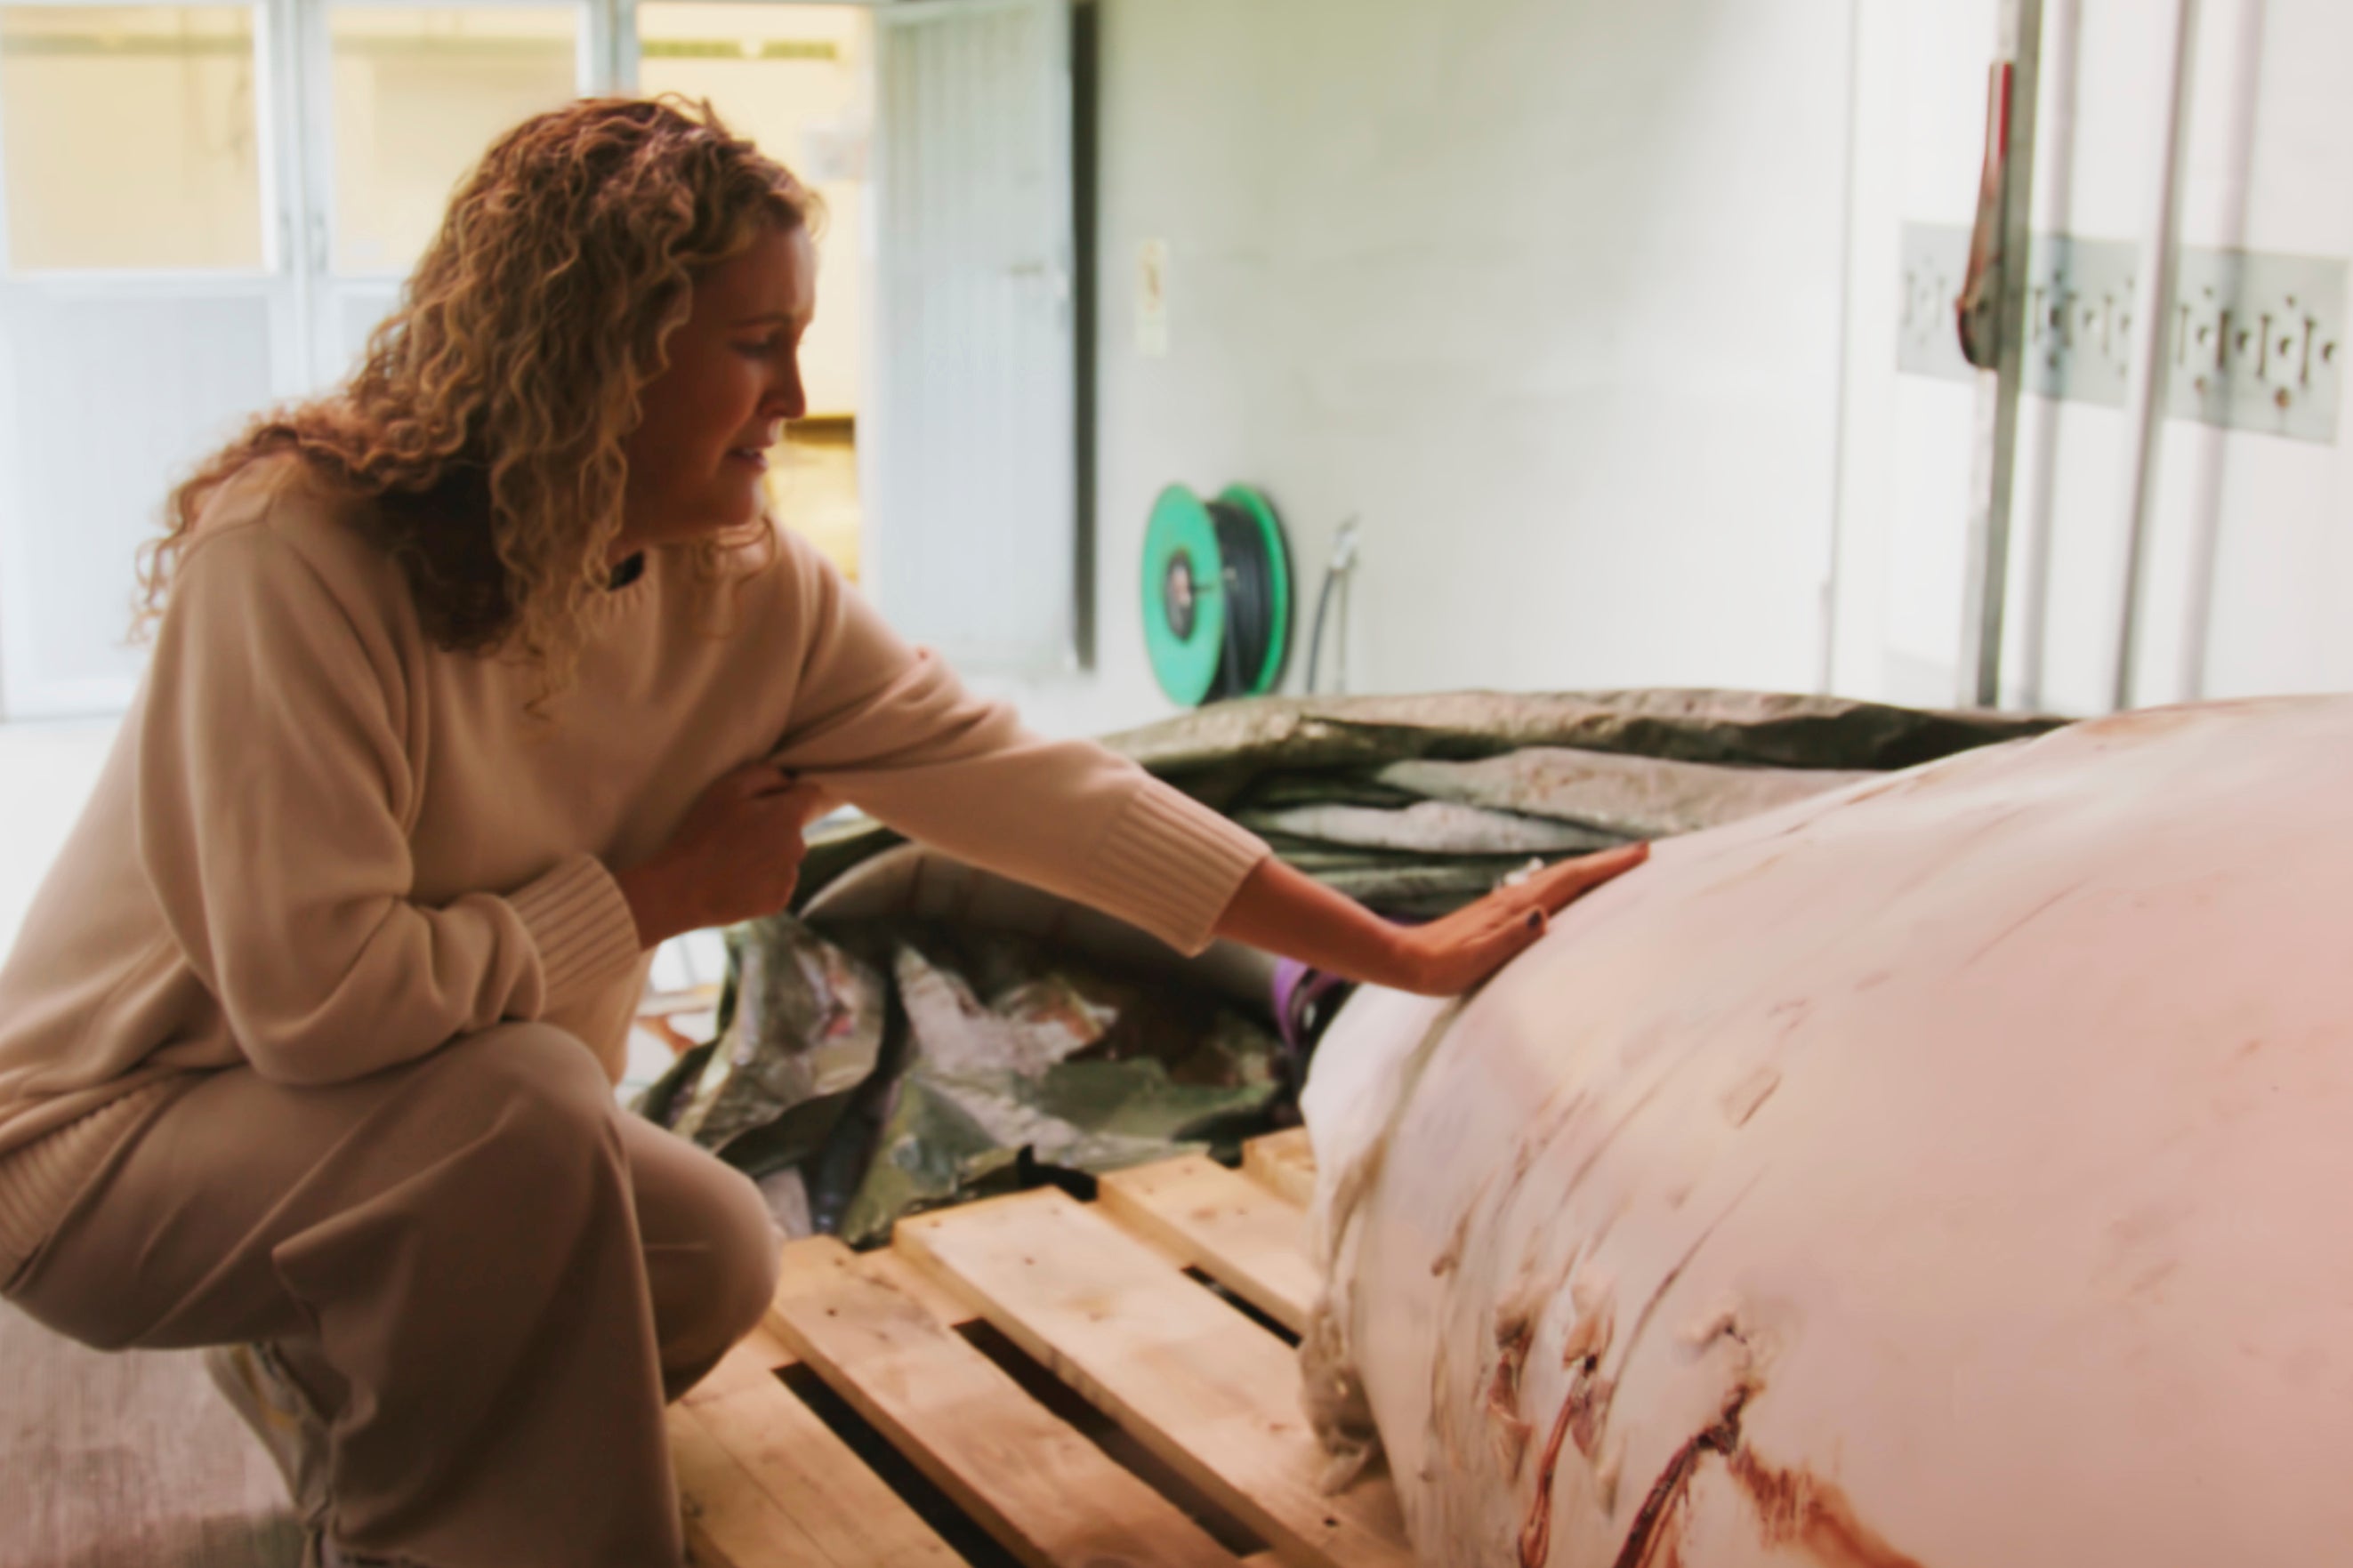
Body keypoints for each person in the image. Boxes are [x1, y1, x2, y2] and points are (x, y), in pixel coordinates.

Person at [0, 97, 1643, 1568]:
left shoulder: (739, 586)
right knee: (512, 1112)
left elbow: (1039, 791)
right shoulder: (296, 557)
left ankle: (337, 1365)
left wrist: (1398, 951)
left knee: (709, 1257)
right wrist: (654, 897)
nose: (794, 392)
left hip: (396, 1139)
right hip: (106, 1145)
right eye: (750, 343)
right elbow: (319, 1009)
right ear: (598, 350)